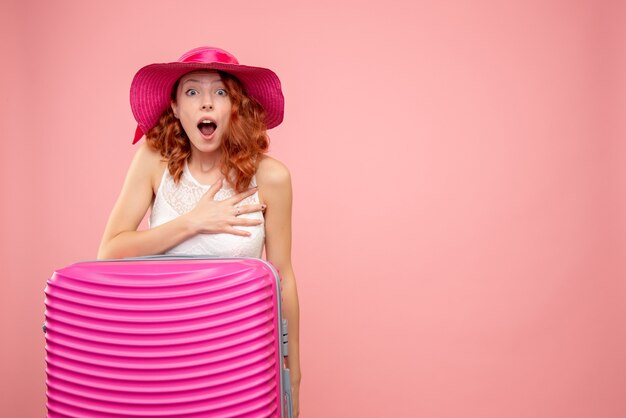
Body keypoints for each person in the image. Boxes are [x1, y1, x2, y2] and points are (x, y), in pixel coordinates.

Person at [97, 46, 301, 416]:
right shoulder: (151, 161)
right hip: (158, 354)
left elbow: (282, 276)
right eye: (192, 92)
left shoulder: (272, 177)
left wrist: (293, 373)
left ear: (234, 107)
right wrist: (194, 221)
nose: (206, 104)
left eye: (220, 92)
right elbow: (110, 250)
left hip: (240, 356)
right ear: (175, 107)